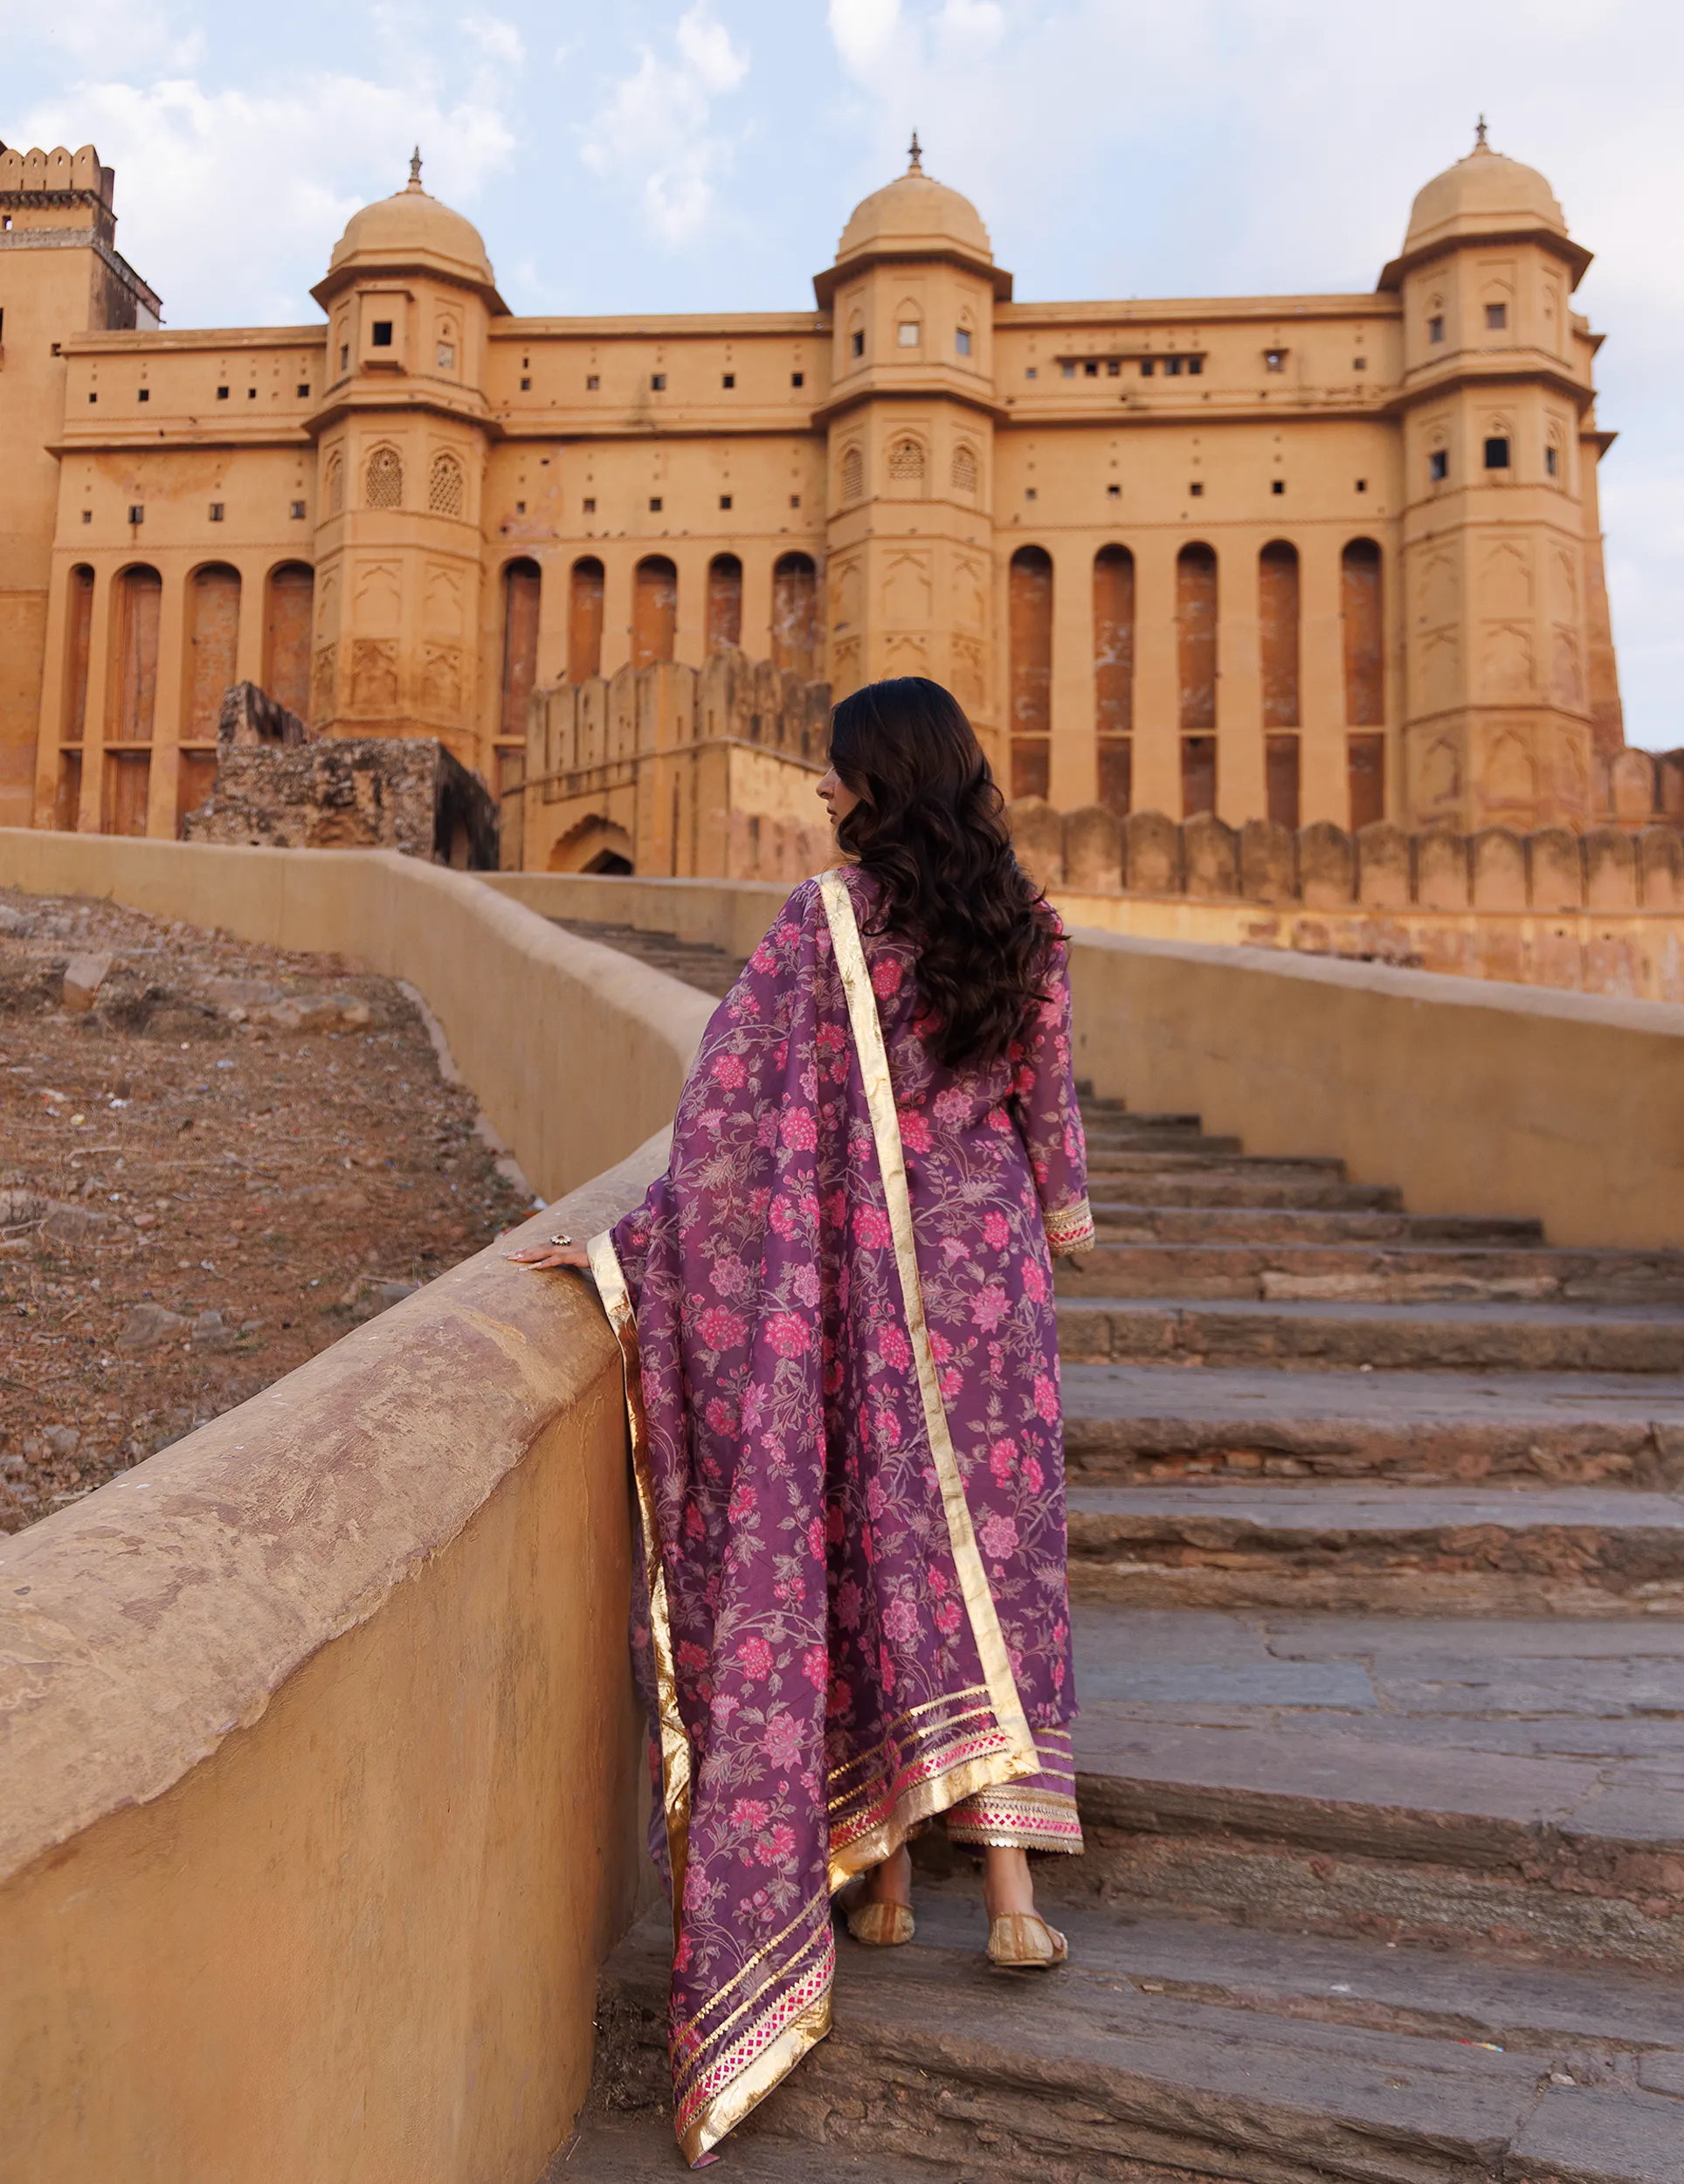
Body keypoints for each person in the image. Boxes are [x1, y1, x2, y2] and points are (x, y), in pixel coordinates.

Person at [511, 677, 1093, 2167]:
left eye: (835, 773)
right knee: (998, 1570)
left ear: (877, 780)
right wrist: (1057, 1219)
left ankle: (884, 1874)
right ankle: (1012, 1899)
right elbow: (1051, 1124)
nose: (821, 793)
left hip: (869, 1283)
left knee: (877, 1545)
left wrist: (626, 1247)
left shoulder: (821, 926)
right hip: (993, 1278)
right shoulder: (1025, 925)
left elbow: (724, 1118)